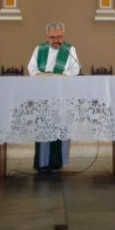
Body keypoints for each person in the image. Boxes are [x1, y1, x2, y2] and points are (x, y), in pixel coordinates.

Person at [27, 21, 80, 174]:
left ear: (63, 36)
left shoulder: (70, 49)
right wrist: (40, 77)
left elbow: (76, 68)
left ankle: (56, 164)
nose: (56, 40)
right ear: (48, 36)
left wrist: (63, 76)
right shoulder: (40, 49)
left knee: (59, 128)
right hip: (43, 93)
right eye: (52, 37)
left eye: (59, 37)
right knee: (43, 128)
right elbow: (31, 67)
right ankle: (42, 164)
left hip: (62, 93)